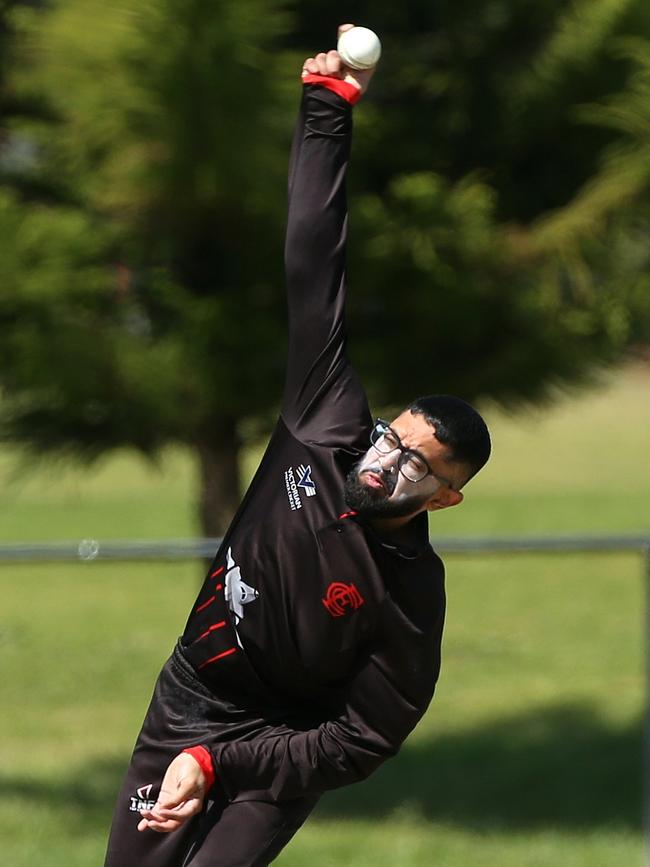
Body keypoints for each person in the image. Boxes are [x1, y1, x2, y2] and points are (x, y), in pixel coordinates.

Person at [104, 24, 491, 867]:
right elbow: (314, 260)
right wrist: (328, 109)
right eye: (397, 437)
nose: (389, 460)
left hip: (284, 744)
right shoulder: (326, 422)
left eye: (419, 465)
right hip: (193, 694)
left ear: (445, 498)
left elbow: (361, 740)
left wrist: (223, 761)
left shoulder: (410, 598)